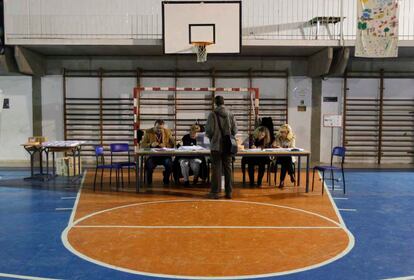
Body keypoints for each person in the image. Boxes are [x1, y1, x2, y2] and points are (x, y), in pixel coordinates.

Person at [205, 95, 238, 199]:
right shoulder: (230, 114)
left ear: (215, 103)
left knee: (216, 169)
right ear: (224, 102)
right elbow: (235, 130)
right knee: (228, 169)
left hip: (216, 146)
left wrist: (212, 137)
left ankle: (215, 192)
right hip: (228, 145)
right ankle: (229, 192)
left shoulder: (212, 114)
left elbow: (209, 131)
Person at [141, 119, 175, 185]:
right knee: (149, 166)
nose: (159, 130)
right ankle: (149, 181)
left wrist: (166, 145)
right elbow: (142, 145)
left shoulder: (167, 131)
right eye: (157, 128)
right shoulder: (148, 132)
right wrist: (150, 145)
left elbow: (172, 144)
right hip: (153, 156)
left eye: (161, 128)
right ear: (154, 126)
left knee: (170, 165)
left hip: (164, 156)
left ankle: (166, 178)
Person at [273, 124, 296, 188]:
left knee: (285, 160)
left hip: (289, 156)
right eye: (281, 132)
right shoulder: (278, 137)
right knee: (286, 160)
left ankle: (281, 181)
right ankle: (291, 174)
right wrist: (276, 146)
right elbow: (275, 145)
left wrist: (287, 148)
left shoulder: (292, 138)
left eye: (284, 132)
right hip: (279, 156)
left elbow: (292, 147)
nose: (282, 133)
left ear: (288, 132)